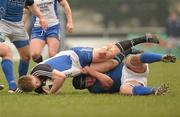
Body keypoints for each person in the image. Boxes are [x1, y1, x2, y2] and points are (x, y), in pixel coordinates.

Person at [18, 33, 160, 94]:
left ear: (31, 77)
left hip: (75, 56)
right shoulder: (35, 83)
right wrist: (18, 89)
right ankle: (128, 51)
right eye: (36, 86)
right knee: (110, 63)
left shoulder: (38, 71)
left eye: (36, 83)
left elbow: (59, 78)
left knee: (107, 53)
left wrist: (51, 93)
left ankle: (143, 38)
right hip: (80, 68)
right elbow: (50, 87)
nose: (38, 85)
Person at [72, 51, 176, 95]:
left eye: (86, 79)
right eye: (86, 84)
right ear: (86, 88)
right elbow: (108, 82)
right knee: (123, 90)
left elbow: (114, 57)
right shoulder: (94, 89)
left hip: (130, 68)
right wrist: (92, 72)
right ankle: (154, 91)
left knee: (130, 60)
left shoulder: (94, 67)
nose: (89, 81)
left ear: (85, 74)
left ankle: (162, 57)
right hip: (131, 81)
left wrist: (129, 50)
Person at [0, 0, 48, 79]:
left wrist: (41, 17)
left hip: (18, 25)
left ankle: (21, 83)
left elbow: (31, 4)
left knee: (26, 56)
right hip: (2, 23)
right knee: (5, 52)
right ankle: (12, 86)